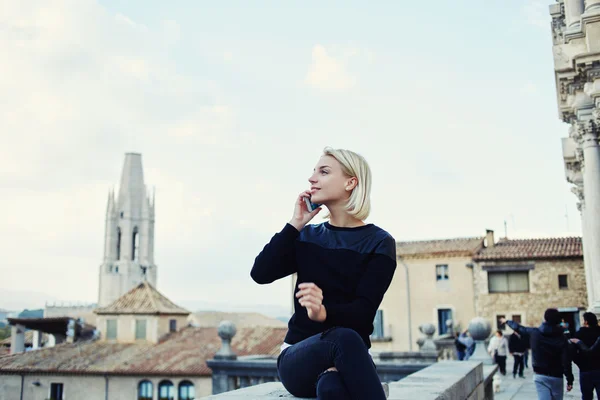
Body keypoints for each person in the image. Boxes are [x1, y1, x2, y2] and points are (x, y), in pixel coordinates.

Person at [251, 147, 396, 400]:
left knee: (332, 389)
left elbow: (364, 312)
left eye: (324, 172)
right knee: (343, 338)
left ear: (351, 182)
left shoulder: (379, 242)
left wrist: (323, 312)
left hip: (348, 357)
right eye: (313, 171)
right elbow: (261, 273)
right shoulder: (307, 236)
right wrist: (295, 224)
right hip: (298, 358)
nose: (312, 179)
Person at [500, 309, 574, 400]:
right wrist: (570, 379)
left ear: (545, 319)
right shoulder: (562, 338)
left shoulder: (535, 333)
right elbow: (566, 360)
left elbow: (519, 328)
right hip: (556, 375)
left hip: (540, 374)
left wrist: (507, 321)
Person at [570, 312, 600, 400]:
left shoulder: (579, 334)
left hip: (585, 369)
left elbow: (573, 353)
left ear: (586, 322)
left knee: (587, 396)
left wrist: (580, 363)